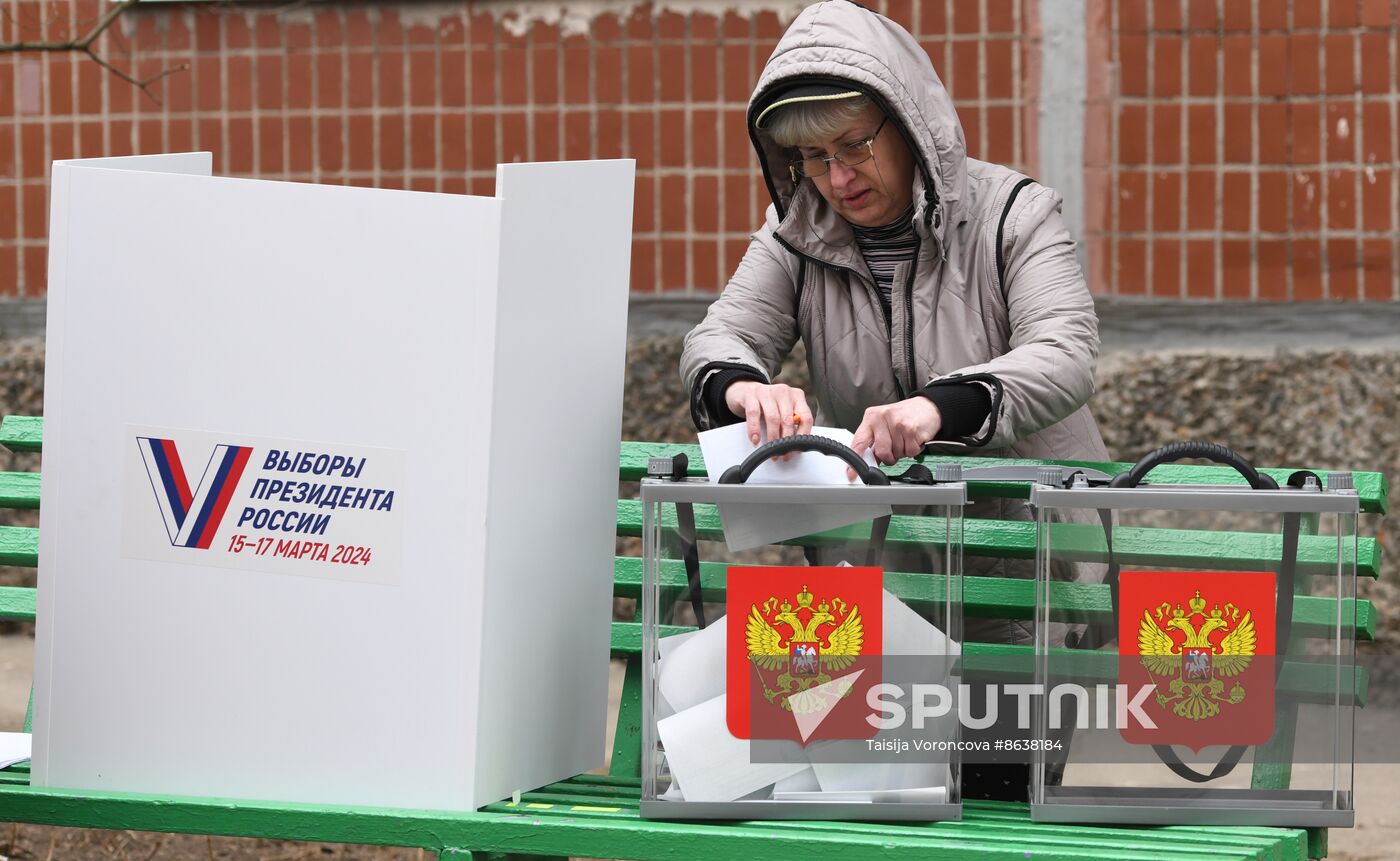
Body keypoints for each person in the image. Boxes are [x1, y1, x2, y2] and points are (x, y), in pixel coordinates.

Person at [678, 0, 1109, 800]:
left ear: (909, 124)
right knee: (859, 808)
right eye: (810, 156)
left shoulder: (1016, 214)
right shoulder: (792, 237)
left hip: (1018, 586)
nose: (837, 179)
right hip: (870, 591)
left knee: (990, 812)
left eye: (853, 146)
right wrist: (746, 388)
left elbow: (1066, 355)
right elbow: (718, 338)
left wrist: (940, 407)